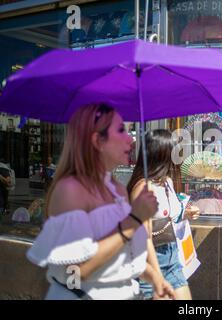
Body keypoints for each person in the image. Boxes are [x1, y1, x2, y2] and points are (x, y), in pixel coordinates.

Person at [26, 104, 174, 299]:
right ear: (97, 141)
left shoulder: (118, 190)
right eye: (121, 130)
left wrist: (154, 277)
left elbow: (119, 258)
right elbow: (74, 273)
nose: (130, 139)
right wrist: (134, 220)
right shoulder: (71, 190)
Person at [127, 129, 200, 300]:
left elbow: (171, 214)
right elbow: (142, 238)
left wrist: (186, 212)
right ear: (162, 154)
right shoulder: (143, 188)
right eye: (173, 151)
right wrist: (157, 276)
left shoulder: (166, 182)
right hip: (152, 262)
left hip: (173, 258)